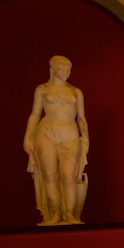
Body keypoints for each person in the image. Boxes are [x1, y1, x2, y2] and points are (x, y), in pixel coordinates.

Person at [23, 55, 90, 225]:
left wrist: (86, 136)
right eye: (62, 69)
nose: (66, 72)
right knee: (50, 175)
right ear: (52, 69)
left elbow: (81, 117)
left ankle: (70, 215)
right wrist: (27, 136)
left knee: (68, 176)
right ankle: (54, 214)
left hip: (69, 132)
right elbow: (35, 114)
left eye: (68, 69)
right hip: (46, 132)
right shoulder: (42, 89)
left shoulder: (76, 92)